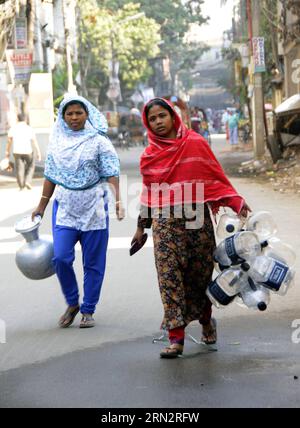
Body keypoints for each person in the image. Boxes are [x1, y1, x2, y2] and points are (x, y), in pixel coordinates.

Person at [131, 98, 251, 358]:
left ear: (172, 116)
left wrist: (235, 201)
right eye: (152, 119)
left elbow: (213, 176)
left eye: (162, 116)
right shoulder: (150, 155)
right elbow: (148, 193)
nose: (158, 122)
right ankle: (176, 337)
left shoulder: (195, 142)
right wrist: (142, 227)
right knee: (169, 275)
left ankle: (206, 320)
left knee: (198, 277)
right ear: (147, 124)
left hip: (196, 219)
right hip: (164, 221)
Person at [32, 95, 124, 328]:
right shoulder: (57, 141)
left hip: (94, 206)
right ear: (62, 116)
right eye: (69, 113)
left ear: (87, 114)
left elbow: (111, 171)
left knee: (93, 263)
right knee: (61, 258)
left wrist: (118, 201)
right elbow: (50, 176)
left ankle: (88, 309)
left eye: (78, 113)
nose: (74, 117)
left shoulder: (98, 141)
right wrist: (41, 206)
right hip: (65, 207)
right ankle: (73, 302)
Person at [5, 113, 41, 190]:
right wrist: (38, 152)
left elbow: (9, 141)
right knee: (31, 166)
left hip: (17, 151)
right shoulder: (29, 128)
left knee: (19, 168)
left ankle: (21, 185)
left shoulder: (13, 128)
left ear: (17, 119)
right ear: (25, 119)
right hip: (28, 151)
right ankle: (27, 181)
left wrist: (7, 151)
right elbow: (34, 141)